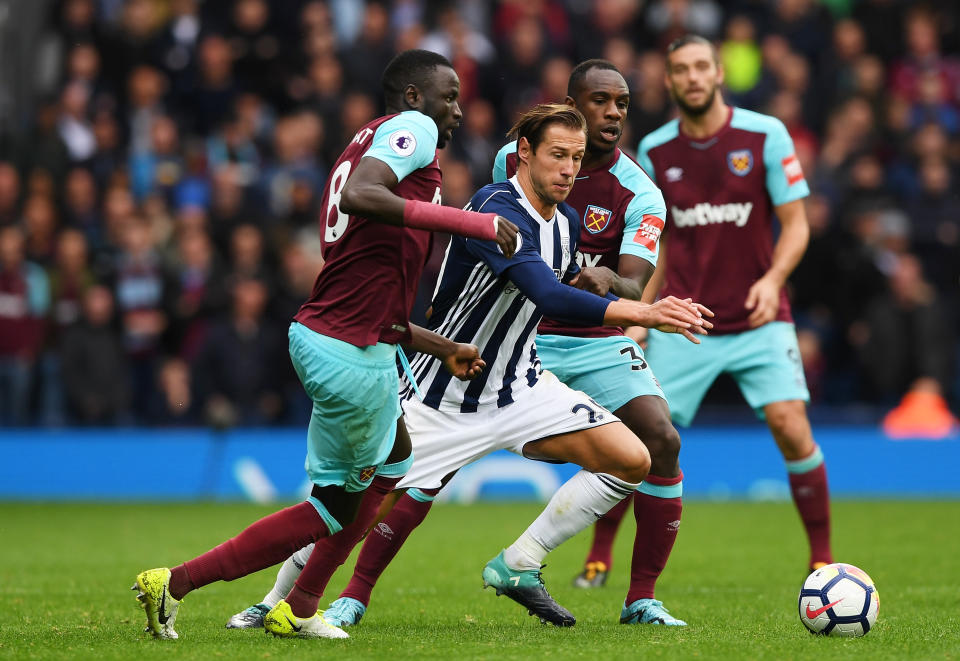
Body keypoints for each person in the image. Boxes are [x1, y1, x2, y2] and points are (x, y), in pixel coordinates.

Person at [225, 103, 711, 631]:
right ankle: (272, 599)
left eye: (576, 157)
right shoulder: (496, 207)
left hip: (520, 388)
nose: (569, 169)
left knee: (633, 459)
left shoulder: (567, 221)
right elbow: (547, 293)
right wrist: (644, 312)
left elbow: (561, 287)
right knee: (355, 510)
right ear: (523, 153)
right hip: (444, 396)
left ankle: (519, 562)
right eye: (557, 155)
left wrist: (602, 282)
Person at [132, 49, 519, 641]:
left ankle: (299, 605)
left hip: (342, 337)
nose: (458, 112)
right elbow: (362, 196)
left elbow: (367, 275)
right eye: (448, 97)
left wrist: (439, 346)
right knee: (336, 508)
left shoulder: (365, 139)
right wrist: (475, 222)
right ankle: (184, 584)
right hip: (349, 354)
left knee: (394, 460)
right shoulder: (409, 130)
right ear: (414, 98)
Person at [593, 34, 830, 577]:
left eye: (702, 66)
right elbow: (659, 240)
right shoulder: (654, 150)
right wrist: (641, 316)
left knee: (792, 426)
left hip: (759, 316)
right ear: (670, 80)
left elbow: (796, 224)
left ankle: (821, 557)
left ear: (719, 72)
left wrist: (773, 280)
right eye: (681, 70)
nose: (693, 77)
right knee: (641, 440)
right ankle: (599, 555)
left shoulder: (765, 135)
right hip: (685, 321)